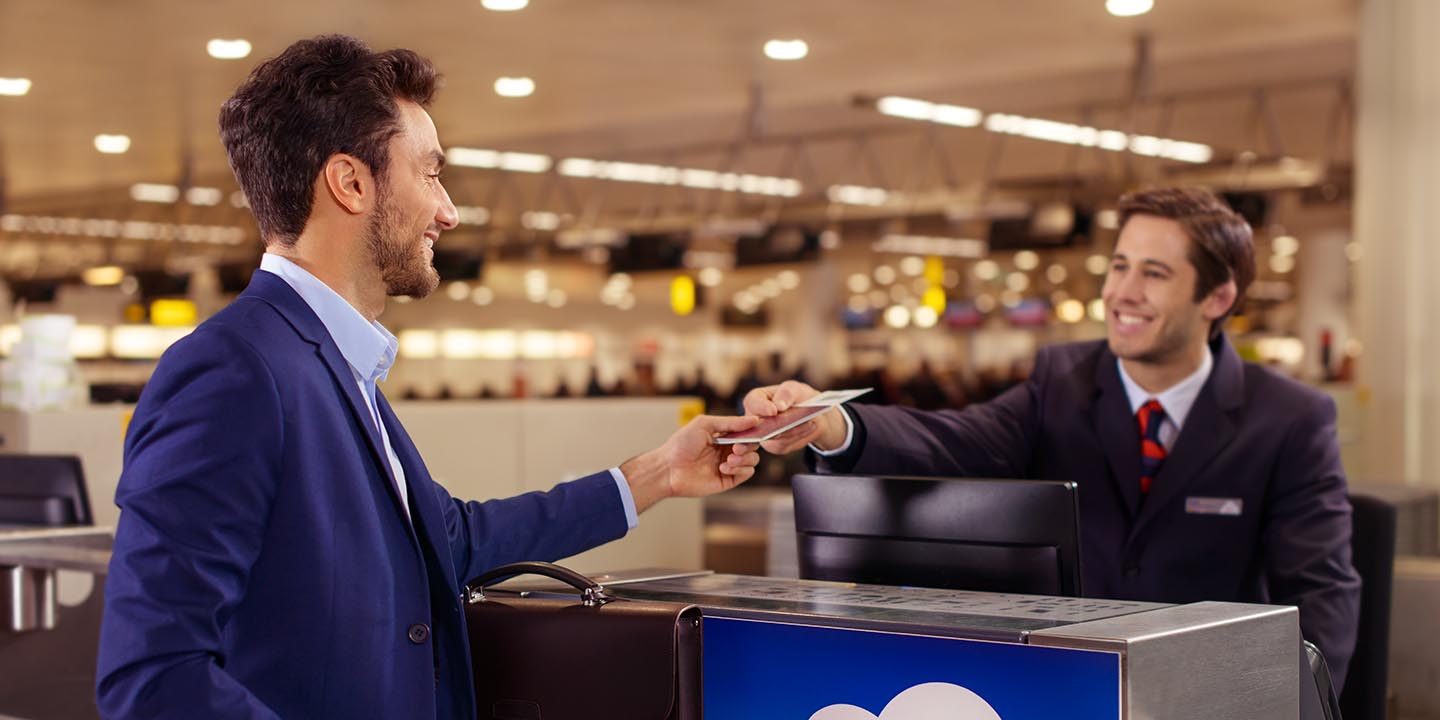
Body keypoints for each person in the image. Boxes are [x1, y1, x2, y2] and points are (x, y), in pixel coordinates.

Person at [96, 35, 761, 720]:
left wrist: (659, 474)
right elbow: (153, 676)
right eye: (429, 174)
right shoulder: (234, 372)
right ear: (350, 183)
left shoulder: (332, 364)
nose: (448, 211)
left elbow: (448, 540)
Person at [746, 187, 1361, 688]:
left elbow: (1321, 595)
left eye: (1154, 273)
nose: (1122, 292)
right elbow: (955, 439)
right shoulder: (1060, 381)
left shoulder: (1288, 418)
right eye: (1120, 265)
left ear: (1218, 296)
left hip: (1205, 692)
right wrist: (833, 424)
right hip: (1067, 683)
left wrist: (1284, 703)